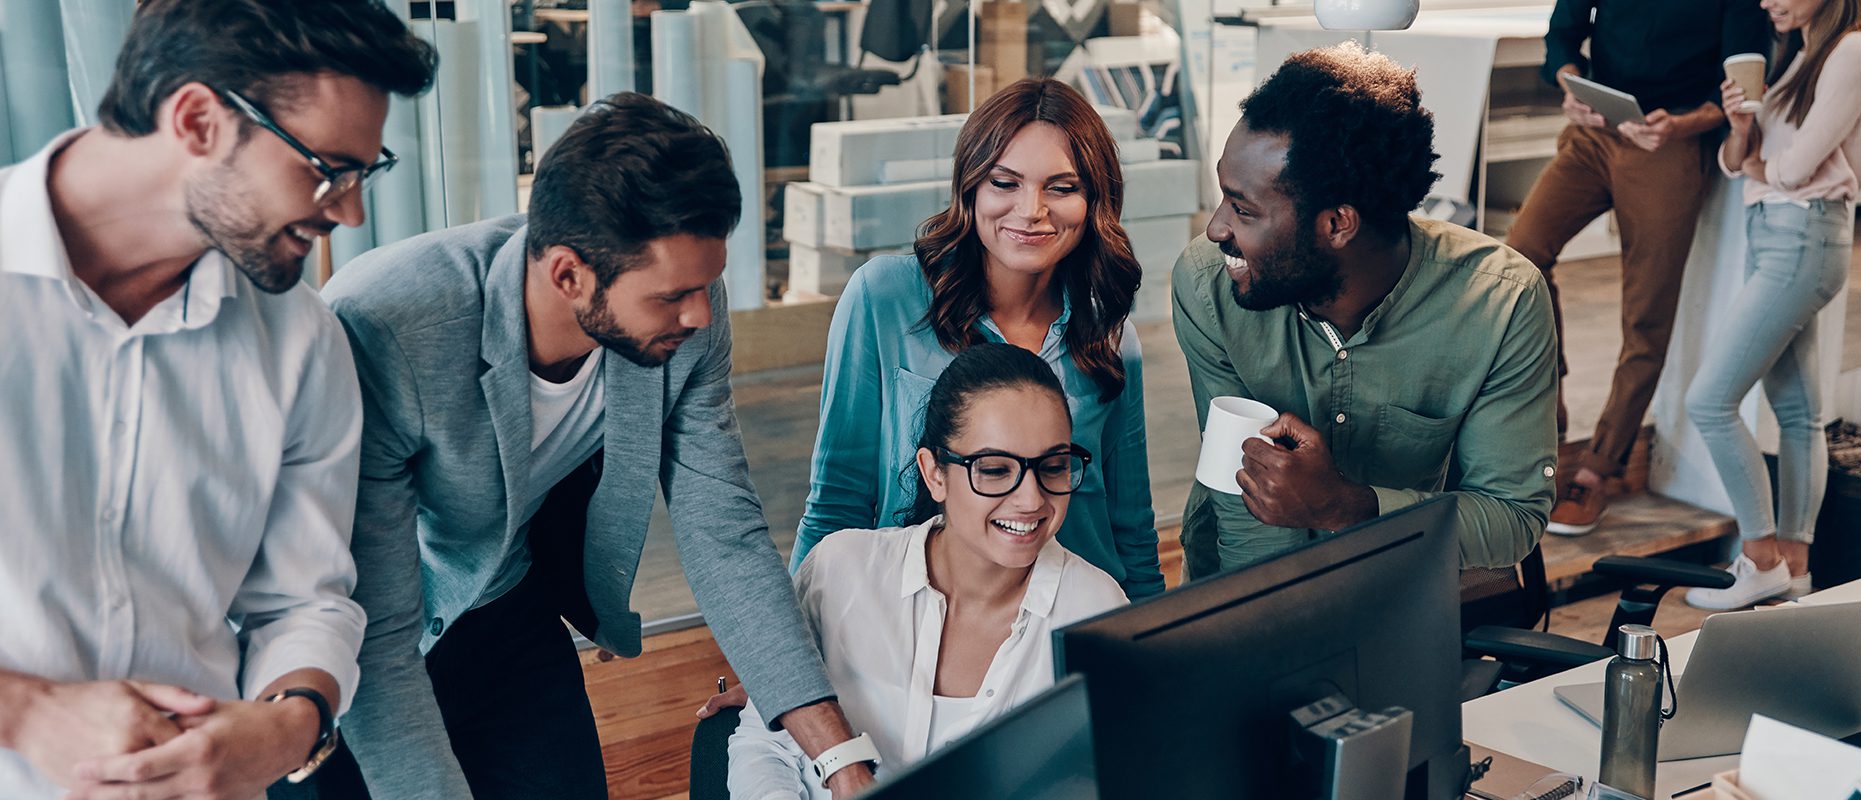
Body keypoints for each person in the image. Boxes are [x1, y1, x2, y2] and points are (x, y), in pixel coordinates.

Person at [314, 94, 870, 800]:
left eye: (706, 286)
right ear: (569, 275)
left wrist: (840, 760)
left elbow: (723, 535)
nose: (699, 315)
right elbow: (378, 626)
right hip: (355, 641)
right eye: (672, 297)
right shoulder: (389, 326)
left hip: (506, 608)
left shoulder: (688, 308)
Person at [0, 2, 436, 798]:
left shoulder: (303, 341)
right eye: (327, 167)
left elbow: (306, 598)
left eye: (364, 174)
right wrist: (23, 712)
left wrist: (289, 721)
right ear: (199, 119)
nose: (348, 211)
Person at [1173, 44, 1558, 578]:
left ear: (1337, 225)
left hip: (1399, 592)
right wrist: (1266, 639)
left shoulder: (1501, 303)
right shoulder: (1209, 284)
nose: (1216, 229)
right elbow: (1243, 507)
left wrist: (1344, 506)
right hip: (1246, 593)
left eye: (1242, 209)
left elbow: (1510, 519)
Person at [791, 78, 1162, 599]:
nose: (1031, 210)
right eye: (1004, 182)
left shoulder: (1108, 336)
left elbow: (1131, 528)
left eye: (1061, 187)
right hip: (911, 619)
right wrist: (793, 663)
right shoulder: (884, 298)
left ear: (1095, 200)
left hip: (1071, 621)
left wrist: (1154, 657)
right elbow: (836, 502)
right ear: (970, 187)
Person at [728, 343, 1128, 798]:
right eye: (995, 470)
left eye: (1054, 467)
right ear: (934, 473)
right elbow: (766, 744)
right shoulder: (839, 571)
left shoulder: (1098, 612)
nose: (1032, 499)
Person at [1516, 0, 1772, 535]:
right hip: (1594, 133)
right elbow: (1562, 35)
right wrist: (1572, 87)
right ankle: (1548, 413)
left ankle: (1598, 467)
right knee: (1519, 261)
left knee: (1646, 315)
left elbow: (1739, 84)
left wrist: (1682, 125)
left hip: (1668, 144)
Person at [1684, 0, 1861, 610]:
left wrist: (1756, 163)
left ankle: (1760, 558)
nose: (1767, 1)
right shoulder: (1797, 59)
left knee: (1710, 402)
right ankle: (1794, 570)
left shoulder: (1856, 50)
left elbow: (1795, 171)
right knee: (1797, 410)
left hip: (1804, 237)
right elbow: (1731, 163)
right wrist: (1741, 124)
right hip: (1774, 234)